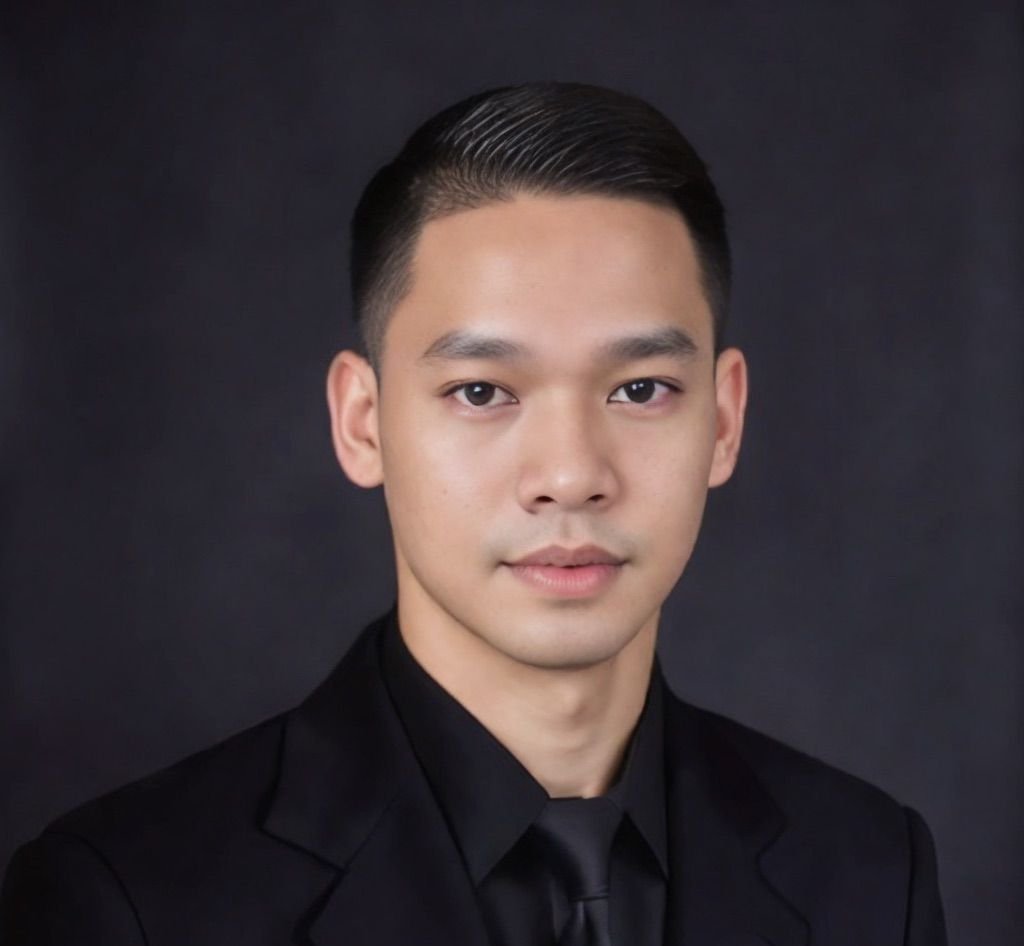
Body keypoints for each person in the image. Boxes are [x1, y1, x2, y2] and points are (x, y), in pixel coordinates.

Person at [0, 81, 947, 945]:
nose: (570, 476)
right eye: (483, 392)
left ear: (725, 421)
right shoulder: (131, 901)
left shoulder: (870, 870)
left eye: (641, 388)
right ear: (362, 423)